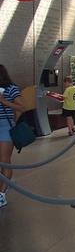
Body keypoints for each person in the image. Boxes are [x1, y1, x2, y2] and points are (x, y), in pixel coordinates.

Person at [0, 65, 25, 208]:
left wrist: (4, 102)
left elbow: (22, 107)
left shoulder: (11, 88)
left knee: (4, 161)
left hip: (5, 127)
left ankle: (2, 195)